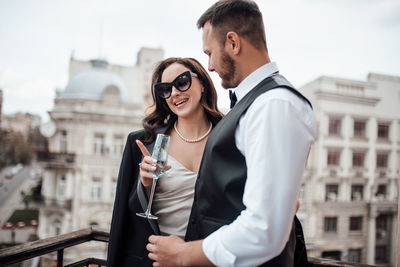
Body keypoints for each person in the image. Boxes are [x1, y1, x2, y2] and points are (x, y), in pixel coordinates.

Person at [146, 1, 317, 267]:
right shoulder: (258, 103)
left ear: (233, 43)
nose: (210, 66)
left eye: (210, 53)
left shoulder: (274, 105)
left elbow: (264, 230)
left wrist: (183, 254)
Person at [107, 57, 224, 267]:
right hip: (153, 261)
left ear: (203, 84)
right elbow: (124, 217)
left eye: (182, 82)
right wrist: (145, 185)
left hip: (206, 260)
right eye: (165, 89)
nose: (175, 93)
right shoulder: (143, 142)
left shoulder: (230, 139)